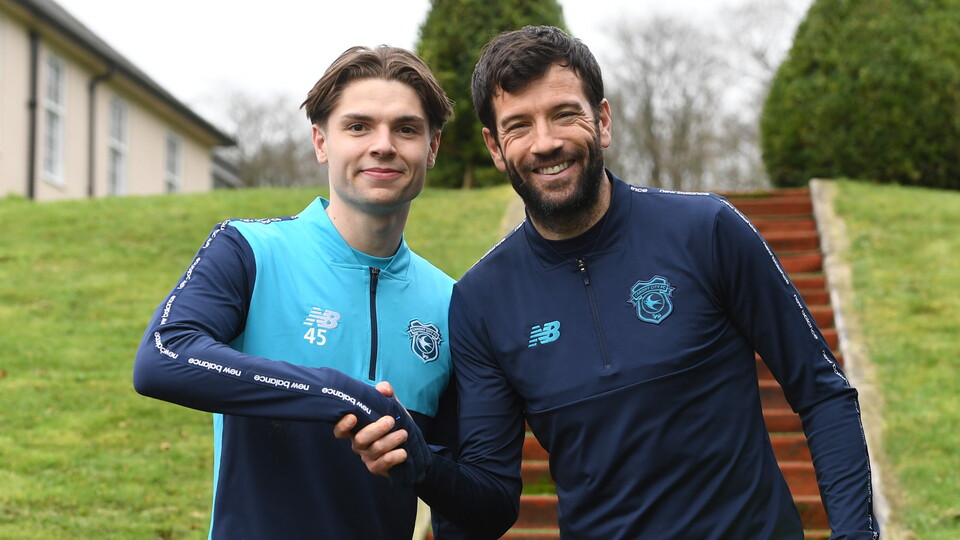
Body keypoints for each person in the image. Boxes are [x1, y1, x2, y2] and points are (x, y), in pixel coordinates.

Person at [337, 26, 880, 539]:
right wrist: (421, 463)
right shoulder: (481, 301)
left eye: (564, 114)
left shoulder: (707, 230)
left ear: (602, 121)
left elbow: (823, 393)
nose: (545, 142)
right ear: (495, 147)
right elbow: (492, 502)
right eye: (519, 125)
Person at [133, 45, 456, 539]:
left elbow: (471, 490)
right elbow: (162, 356)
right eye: (358, 126)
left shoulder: (450, 302)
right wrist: (339, 394)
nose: (383, 145)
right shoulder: (248, 250)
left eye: (406, 129)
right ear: (321, 141)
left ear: (432, 148)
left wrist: (424, 464)